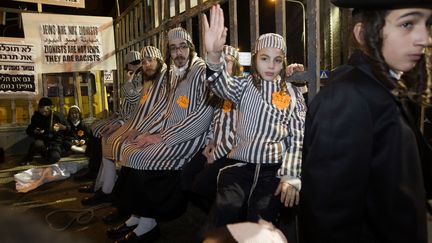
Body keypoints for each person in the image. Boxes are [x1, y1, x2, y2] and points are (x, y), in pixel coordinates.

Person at [299, 1, 432, 242]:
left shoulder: (388, 89)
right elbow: (327, 220)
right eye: (407, 24)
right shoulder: (347, 97)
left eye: (427, 24)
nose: (424, 39)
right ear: (362, 33)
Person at [203, 4, 306, 234]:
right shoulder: (244, 84)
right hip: (241, 167)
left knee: (261, 224)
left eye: (277, 60)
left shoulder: (292, 92)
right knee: (223, 215)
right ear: (255, 58)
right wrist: (212, 55)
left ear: (284, 61)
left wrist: (291, 175)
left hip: (273, 171)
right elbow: (219, 85)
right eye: (264, 58)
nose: (271, 65)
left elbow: (297, 135)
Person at [110, 27, 214, 243]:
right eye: (173, 48)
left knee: (138, 157)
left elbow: (204, 115)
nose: (178, 53)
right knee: (129, 150)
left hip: (190, 137)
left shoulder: (200, 70)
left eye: (183, 47)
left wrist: (161, 137)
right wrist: (144, 131)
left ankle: (149, 224)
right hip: (169, 133)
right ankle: (136, 216)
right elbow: (165, 110)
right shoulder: (175, 74)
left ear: (191, 48)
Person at [81, 46, 168, 207]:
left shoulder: (160, 77)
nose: (144, 65)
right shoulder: (146, 77)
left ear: (159, 60)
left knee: (116, 143)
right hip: (136, 123)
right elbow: (134, 106)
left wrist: (124, 123)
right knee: (102, 134)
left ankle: (112, 191)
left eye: (149, 61)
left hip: (150, 129)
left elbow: (137, 102)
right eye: (142, 62)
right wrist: (120, 119)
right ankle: (104, 186)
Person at [181, 45, 243, 213]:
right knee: (187, 175)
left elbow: (239, 131)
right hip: (215, 147)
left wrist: (216, 154)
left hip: (233, 152)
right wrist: (210, 143)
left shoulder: (241, 90)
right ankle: (208, 212)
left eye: (228, 62)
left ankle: (219, 217)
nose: (224, 66)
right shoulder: (217, 91)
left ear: (236, 65)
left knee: (201, 184)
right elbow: (215, 122)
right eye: (221, 62)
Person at [75, 51, 142, 181]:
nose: (135, 67)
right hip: (123, 117)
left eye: (136, 63)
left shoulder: (140, 78)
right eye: (134, 64)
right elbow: (128, 104)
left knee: (99, 132)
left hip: (131, 121)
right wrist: (116, 114)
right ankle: (95, 169)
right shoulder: (136, 77)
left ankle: (95, 171)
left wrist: (128, 82)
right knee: (95, 127)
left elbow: (135, 101)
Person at [24, 97, 70, 164]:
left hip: (55, 142)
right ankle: (29, 158)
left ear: (50, 107)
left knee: (55, 157)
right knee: (36, 144)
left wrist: (64, 128)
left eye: (46, 109)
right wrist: (35, 131)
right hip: (42, 141)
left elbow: (69, 128)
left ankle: (50, 155)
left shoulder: (58, 116)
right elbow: (28, 130)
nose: (43, 111)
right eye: (40, 108)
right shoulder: (36, 117)